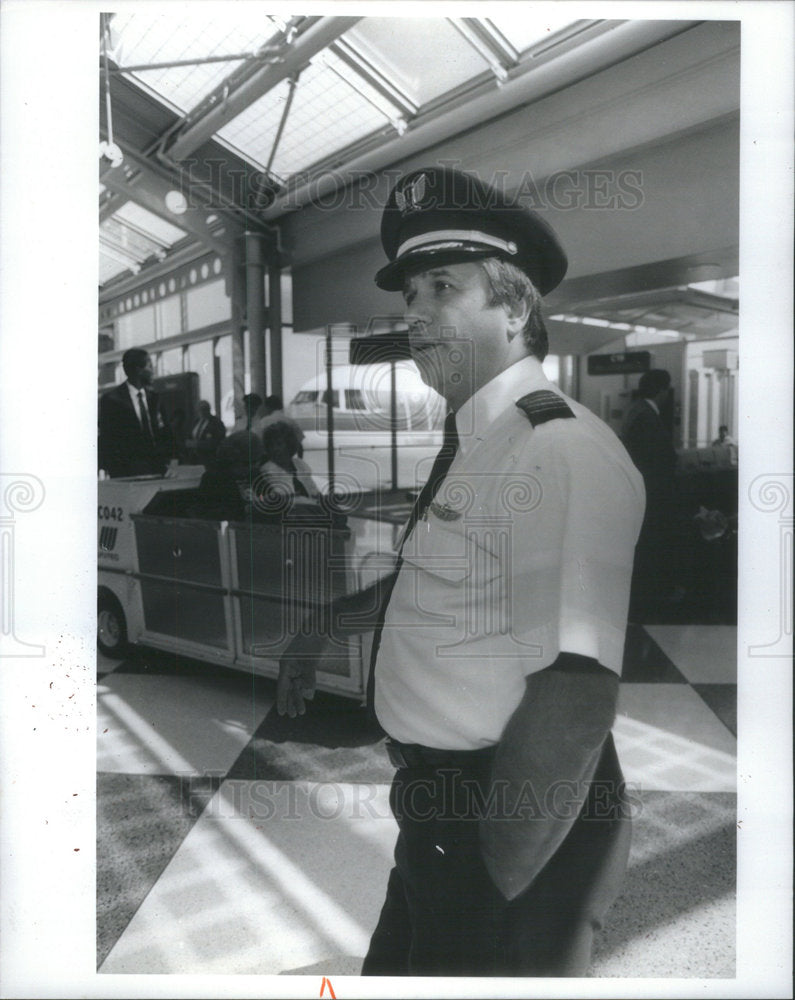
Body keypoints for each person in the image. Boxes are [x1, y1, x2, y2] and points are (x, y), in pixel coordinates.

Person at [277, 165, 645, 976]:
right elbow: (434, 582)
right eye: (409, 296)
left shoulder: (555, 447)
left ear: (513, 309)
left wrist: (498, 878)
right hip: (436, 812)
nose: (412, 316)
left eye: (441, 287)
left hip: (508, 817)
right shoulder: (476, 437)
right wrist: (321, 629)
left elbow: (576, 692)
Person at [621, 369, 680, 618]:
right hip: (652, 494)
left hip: (640, 493)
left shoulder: (636, 412)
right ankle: (653, 599)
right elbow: (656, 460)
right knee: (652, 545)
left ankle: (648, 597)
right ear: (661, 390)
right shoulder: (647, 417)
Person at [98, 348, 170, 478]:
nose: (153, 371)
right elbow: (107, 438)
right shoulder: (112, 400)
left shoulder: (155, 398)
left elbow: (164, 432)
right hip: (126, 473)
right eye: (150, 366)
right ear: (138, 369)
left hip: (158, 470)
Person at [191, 431, 263, 521]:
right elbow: (203, 514)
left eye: (256, 462)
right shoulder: (214, 478)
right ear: (232, 459)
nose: (252, 467)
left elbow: (268, 500)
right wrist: (242, 510)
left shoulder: (256, 475)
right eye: (246, 463)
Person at [256, 421, 321, 512]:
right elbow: (264, 500)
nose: (275, 449)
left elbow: (315, 492)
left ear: (289, 444)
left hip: (313, 510)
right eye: (271, 445)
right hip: (289, 516)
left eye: (279, 444)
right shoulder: (266, 471)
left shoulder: (300, 465)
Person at [188, 400, 226, 466]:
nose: (202, 412)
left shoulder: (216, 423)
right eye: (200, 409)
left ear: (208, 409)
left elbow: (218, 441)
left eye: (204, 409)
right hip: (195, 458)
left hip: (210, 458)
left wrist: (198, 444)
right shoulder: (196, 422)